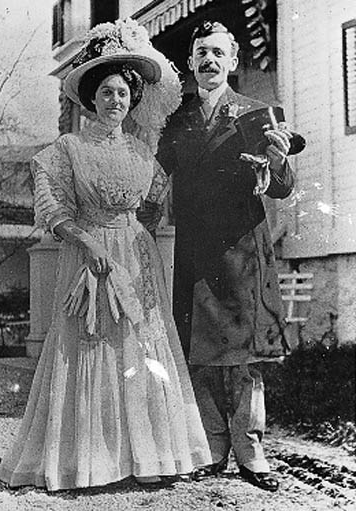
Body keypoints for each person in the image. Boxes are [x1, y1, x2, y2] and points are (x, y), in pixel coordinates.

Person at [0, 19, 212, 491]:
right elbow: (52, 210)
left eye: (123, 94)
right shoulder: (67, 149)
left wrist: (137, 238)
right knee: (90, 346)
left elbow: (154, 206)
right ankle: (89, 462)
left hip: (137, 258)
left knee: (139, 348)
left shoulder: (142, 152)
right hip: (88, 255)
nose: (116, 101)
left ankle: (148, 457)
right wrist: (91, 242)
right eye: (108, 92)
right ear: (92, 98)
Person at [157, 20, 296, 492]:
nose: (209, 61)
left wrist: (277, 163)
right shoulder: (177, 120)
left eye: (218, 52)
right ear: (191, 62)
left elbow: (282, 185)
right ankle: (213, 447)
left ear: (233, 61)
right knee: (200, 351)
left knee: (242, 357)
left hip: (241, 252)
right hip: (194, 252)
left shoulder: (256, 113)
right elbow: (155, 179)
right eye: (201, 53)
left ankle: (251, 451)